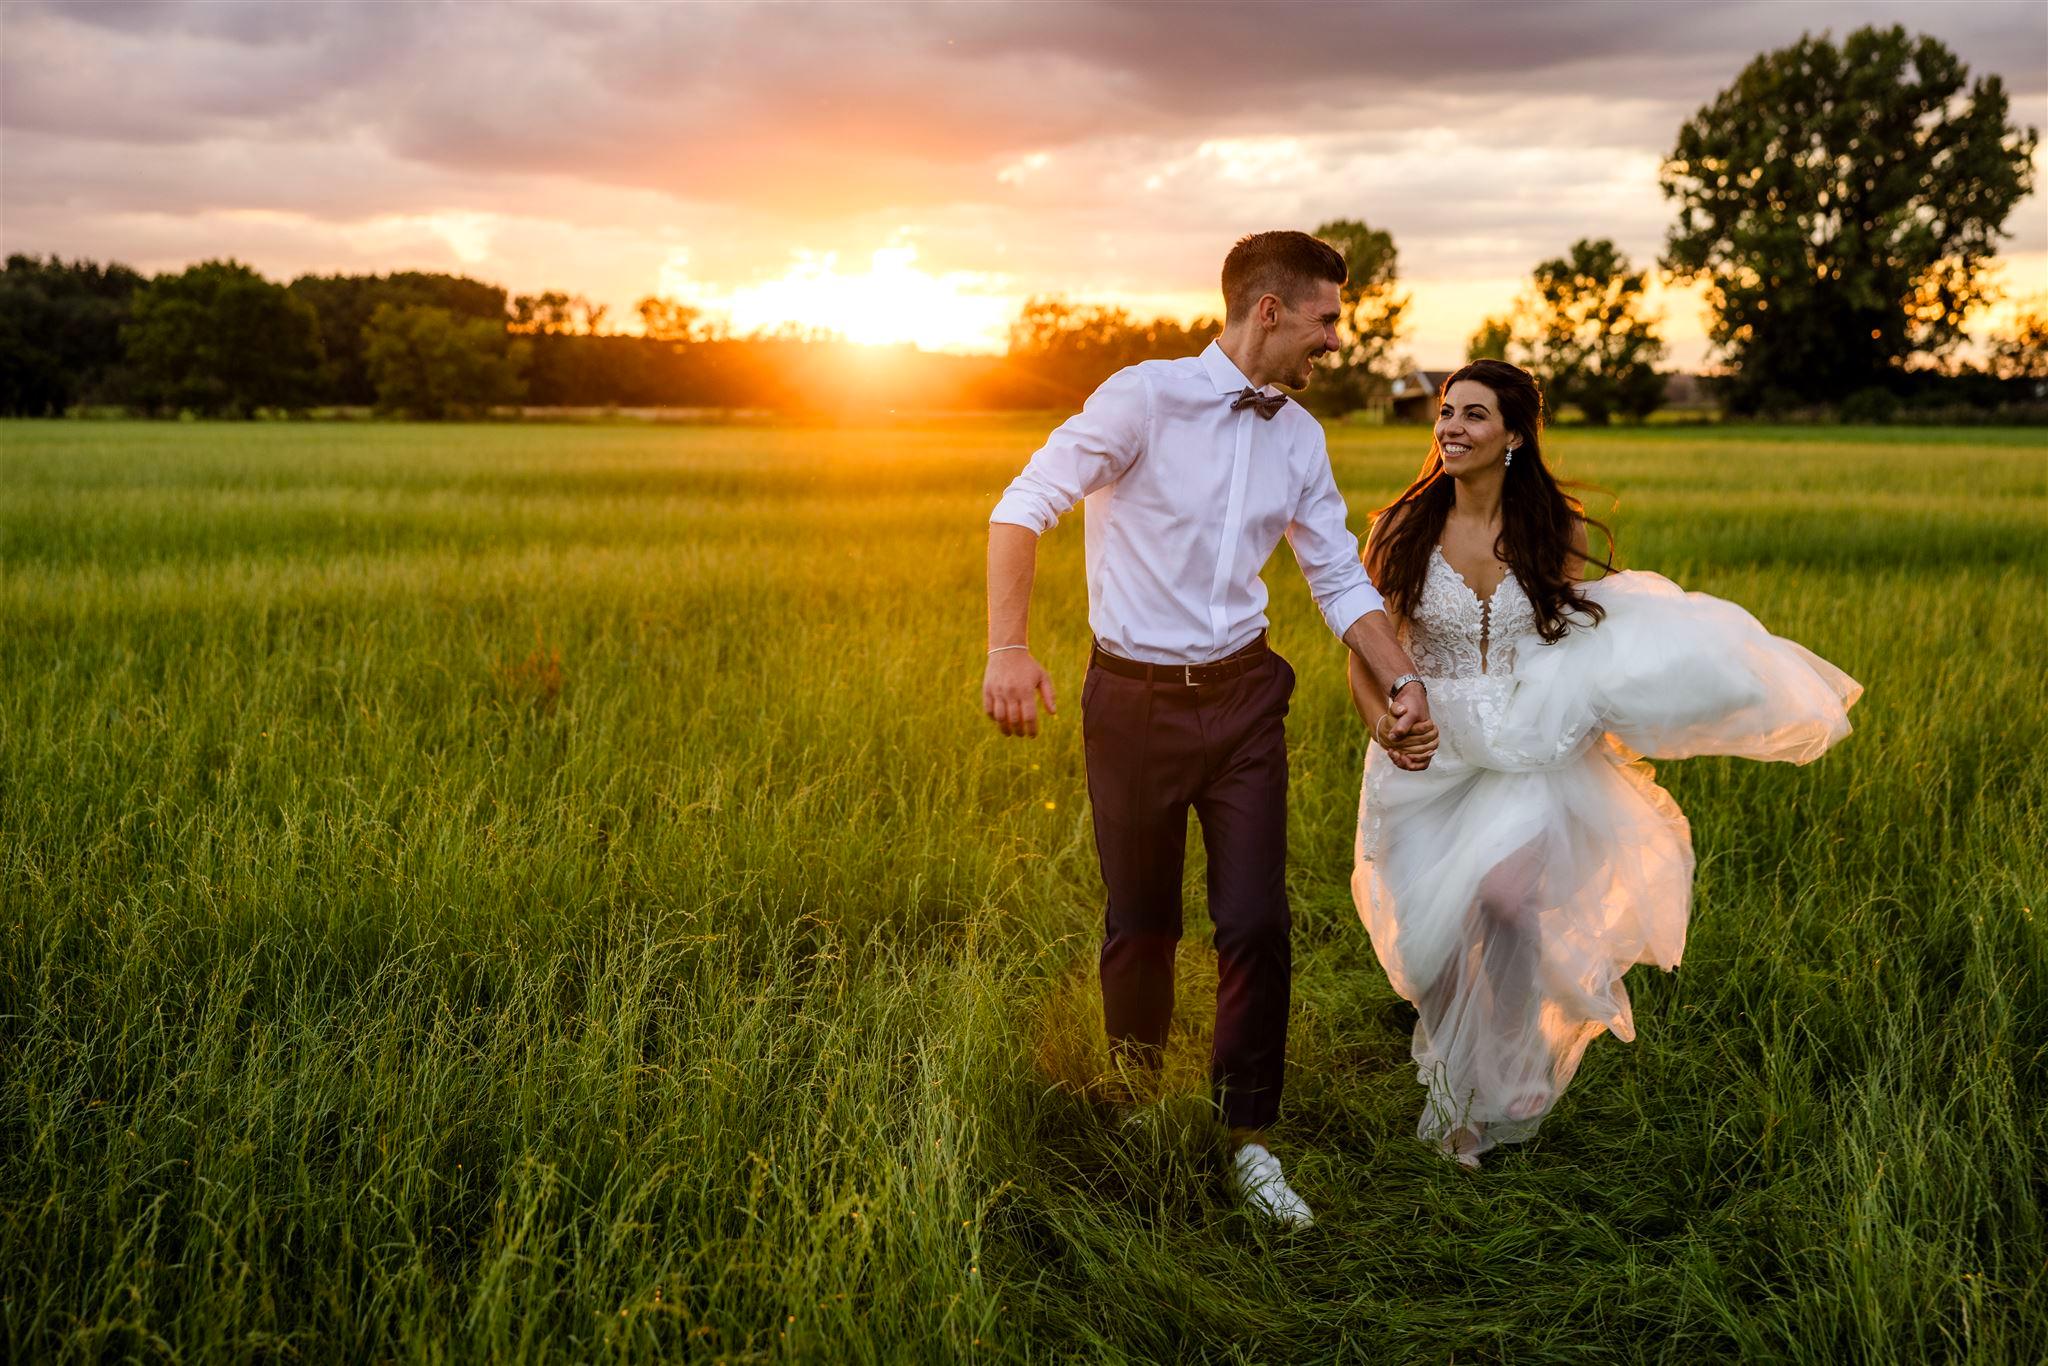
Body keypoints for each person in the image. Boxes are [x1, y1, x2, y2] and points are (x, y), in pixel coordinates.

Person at [983, 231, 1438, 1228]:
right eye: (1325, 319)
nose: (1336, 339)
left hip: (1241, 699)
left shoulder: (1298, 437)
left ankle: (1249, 1140)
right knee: (1140, 920)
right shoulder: (1140, 398)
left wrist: (1400, 676)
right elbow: (1020, 509)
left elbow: (1333, 576)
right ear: (1267, 310)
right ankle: (1141, 1107)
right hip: (1132, 703)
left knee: (1256, 922)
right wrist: (1005, 651)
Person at [1348, 360, 1862, 1166]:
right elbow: (1367, 649)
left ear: (1515, 436)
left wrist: (1611, 702)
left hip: (1524, 754)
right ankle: (1455, 1065)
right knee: (1429, 944)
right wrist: (1384, 722)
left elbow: (1572, 643)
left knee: (1508, 902)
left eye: (1474, 415)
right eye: (1446, 412)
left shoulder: (1558, 527)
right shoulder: (1400, 530)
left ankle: (1499, 1082)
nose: (1451, 426)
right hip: (1428, 756)